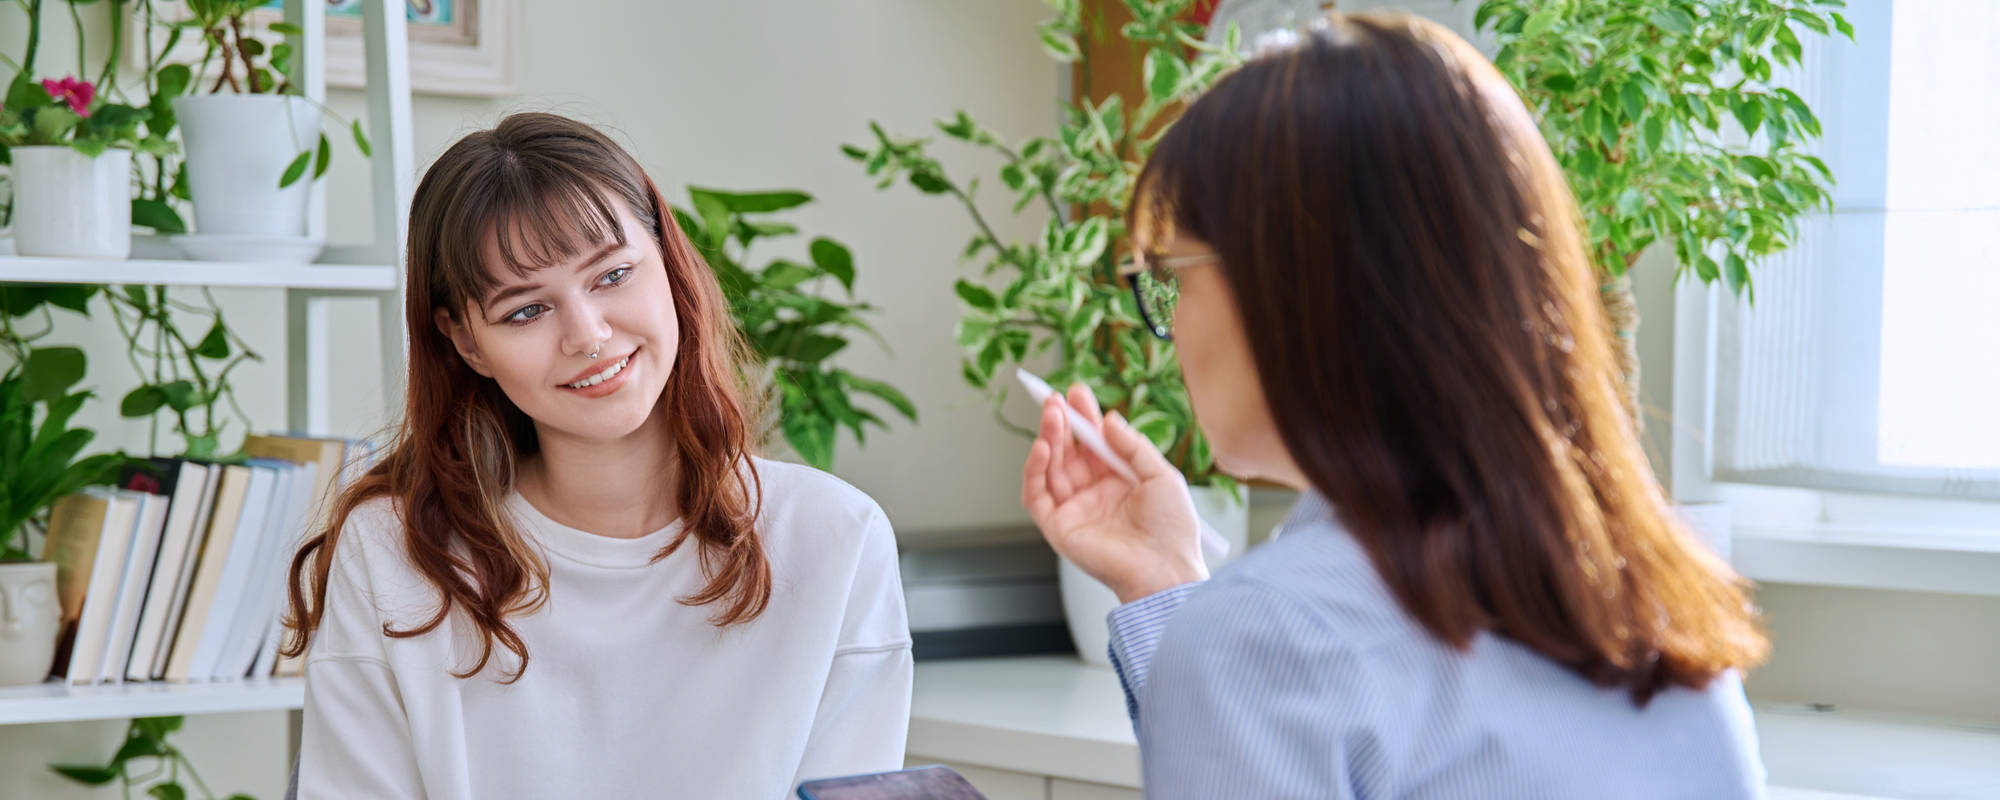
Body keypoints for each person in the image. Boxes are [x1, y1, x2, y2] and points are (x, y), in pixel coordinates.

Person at [1021, 13, 1770, 799]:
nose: (1168, 323)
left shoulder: (1267, 634)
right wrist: (1167, 583)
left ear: (1291, 289)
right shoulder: (1654, 612)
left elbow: (1280, 665)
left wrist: (1208, 626)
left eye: (1173, 273)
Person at [283, 112, 912, 799]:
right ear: (466, 342)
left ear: (667, 262)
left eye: (613, 275)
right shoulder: (394, 554)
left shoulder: (834, 540)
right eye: (526, 310)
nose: (588, 335)